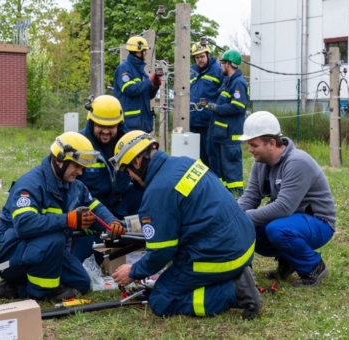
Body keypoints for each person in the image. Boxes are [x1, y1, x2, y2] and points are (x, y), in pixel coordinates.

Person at [109, 130, 262, 320]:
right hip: (244, 242)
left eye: (127, 171)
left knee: (161, 299)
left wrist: (134, 271)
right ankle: (234, 276)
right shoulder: (184, 162)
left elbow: (161, 253)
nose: (130, 177)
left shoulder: (157, 193)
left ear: (137, 161)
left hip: (222, 254)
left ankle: (235, 291)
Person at [0, 132, 126, 304]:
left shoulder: (74, 186)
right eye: (76, 166)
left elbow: (95, 207)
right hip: (7, 253)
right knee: (55, 238)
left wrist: (112, 222)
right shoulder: (31, 184)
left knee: (82, 284)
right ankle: (36, 293)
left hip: (46, 249)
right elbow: (24, 224)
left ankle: (17, 287)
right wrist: (68, 220)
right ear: (60, 160)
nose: (80, 172)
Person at [237, 111, 336, 287]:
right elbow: (250, 197)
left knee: (277, 229)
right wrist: (232, 216)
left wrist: (245, 218)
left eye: (254, 145)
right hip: (292, 221)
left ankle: (314, 267)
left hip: (318, 222)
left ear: (272, 143)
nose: (250, 149)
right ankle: (289, 261)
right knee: (249, 229)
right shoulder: (259, 165)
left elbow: (284, 207)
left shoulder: (297, 162)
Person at [72, 95, 143, 263]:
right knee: (84, 258)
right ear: (91, 122)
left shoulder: (130, 142)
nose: (105, 131)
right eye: (100, 126)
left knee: (148, 194)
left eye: (111, 126)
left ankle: (147, 236)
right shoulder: (80, 145)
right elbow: (74, 192)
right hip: (93, 208)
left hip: (122, 202)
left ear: (119, 124)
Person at [206, 49, 248, 196]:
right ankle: (225, 197)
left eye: (223, 63)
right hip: (222, 135)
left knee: (232, 172)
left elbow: (238, 106)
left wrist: (216, 108)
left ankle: (237, 199)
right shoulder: (228, 82)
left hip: (230, 137)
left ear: (229, 64)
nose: (221, 66)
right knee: (222, 172)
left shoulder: (238, 83)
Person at [113, 36, 161, 133]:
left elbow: (148, 95)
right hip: (130, 123)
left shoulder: (141, 71)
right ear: (137, 52)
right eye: (144, 51)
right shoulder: (124, 68)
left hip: (143, 122)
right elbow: (129, 89)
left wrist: (155, 85)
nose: (146, 53)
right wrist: (149, 81)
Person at [189, 42, 223, 166]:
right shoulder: (191, 71)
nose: (200, 60)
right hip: (193, 121)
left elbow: (223, 94)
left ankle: (214, 182)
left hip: (209, 121)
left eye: (202, 56)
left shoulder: (217, 70)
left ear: (208, 55)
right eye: (197, 58)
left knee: (212, 156)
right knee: (196, 156)